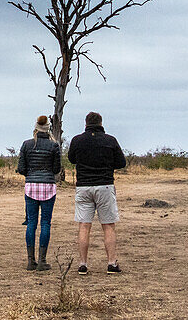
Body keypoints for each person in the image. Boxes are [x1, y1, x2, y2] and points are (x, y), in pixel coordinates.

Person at [67, 111, 126, 275]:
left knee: (84, 225)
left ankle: (83, 264)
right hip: (105, 186)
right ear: (101, 123)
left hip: (83, 187)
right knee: (108, 226)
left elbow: (72, 159)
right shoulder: (110, 140)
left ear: (86, 123)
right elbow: (121, 162)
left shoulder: (77, 140)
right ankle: (111, 263)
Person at [17, 114, 62, 271]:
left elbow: (21, 168)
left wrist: (31, 175)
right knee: (45, 223)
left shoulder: (27, 144)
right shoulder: (54, 145)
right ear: (48, 127)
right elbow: (57, 169)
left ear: (35, 127)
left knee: (31, 223)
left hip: (31, 186)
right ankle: (42, 261)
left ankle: (31, 261)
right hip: (48, 186)